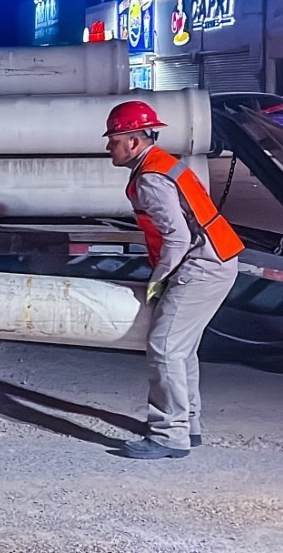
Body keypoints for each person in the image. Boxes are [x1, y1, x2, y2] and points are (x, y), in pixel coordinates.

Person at [103, 100, 243, 460]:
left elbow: (177, 237)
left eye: (114, 139)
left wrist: (158, 279)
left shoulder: (150, 178)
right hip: (218, 258)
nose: (108, 146)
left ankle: (169, 436)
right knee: (181, 350)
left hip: (201, 265)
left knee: (164, 348)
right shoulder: (164, 164)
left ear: (134, 141)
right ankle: (188, 425)